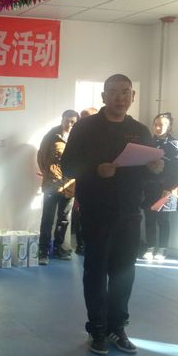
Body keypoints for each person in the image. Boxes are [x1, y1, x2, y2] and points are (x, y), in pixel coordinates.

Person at [61, 74, 163, 356]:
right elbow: (68, 165)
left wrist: (155, 170)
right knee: (96, 271)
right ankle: (97, 328)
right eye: (114, 92)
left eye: (125, 92)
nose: (120, 97)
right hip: (96, 211)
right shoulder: (85, 127)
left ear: (132, 96)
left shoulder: (140, 130)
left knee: (124, 273)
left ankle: (118, 327)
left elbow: (145, 172)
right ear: (104, 96)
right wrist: (96, 170)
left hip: (129, 212)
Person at [141, 113, 178, 261]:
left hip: (167, 188)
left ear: (169, 126)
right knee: (149, 218)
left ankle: (162, 249)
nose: (158, 128)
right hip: (149, 187)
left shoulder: (175, 145)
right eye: (156, 124)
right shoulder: (148, 143)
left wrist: (169, 187)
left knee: (163, 219)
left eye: (162, 125)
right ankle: (150, 247)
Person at [37, 109, 79, 264]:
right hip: (52, 184)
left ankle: (59, 248)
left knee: (64, 219)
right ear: (62, 119)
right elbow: (41, 156)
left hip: (70, 185)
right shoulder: (52, 135)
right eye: (67, 120)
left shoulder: (78, 137)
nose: (69, 124)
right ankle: (43, 251)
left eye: (73, 122)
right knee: (47, 218)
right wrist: (47, 174)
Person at [71, 107, 98, 256]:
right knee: (81, 215)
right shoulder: (78, 135)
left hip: (102, 188)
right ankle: (81, 244)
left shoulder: (101, 136)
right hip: (82, 185)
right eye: (83, 118)